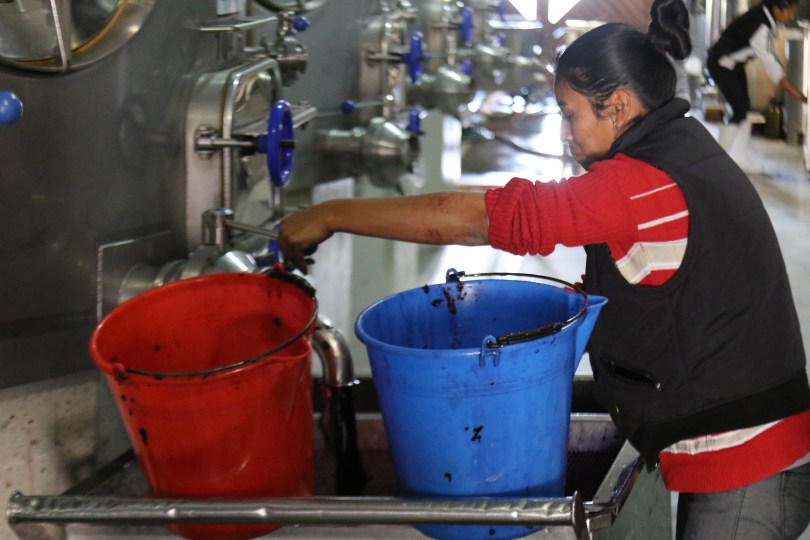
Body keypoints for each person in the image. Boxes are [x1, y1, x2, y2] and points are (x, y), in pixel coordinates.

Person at [278, 1, 810, 537]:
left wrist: (331, 214)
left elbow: (477, 222)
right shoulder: (680, 145)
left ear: (618, 106)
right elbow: (648, 288)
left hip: (752, 461)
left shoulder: (637, 186)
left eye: (569, 114)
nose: (563, 134)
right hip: (750, 442)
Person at [707, 0, 808, 172]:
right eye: (790, 11)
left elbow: (735, 21)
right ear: (778, 9)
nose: (792, 16)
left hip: (734, 64)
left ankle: (740, 159)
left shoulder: (763, 13)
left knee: (744, 111)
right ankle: (716, 163)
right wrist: (800, 96)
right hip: (721, 64)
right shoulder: (761, 28)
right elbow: (773, 67)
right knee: (740, 110)